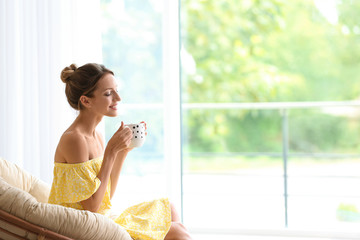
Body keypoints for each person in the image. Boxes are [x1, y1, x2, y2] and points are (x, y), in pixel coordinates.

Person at [48, 63, 192, 240]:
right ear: (86, 101)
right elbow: (92, 206)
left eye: (116, 90)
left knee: (169, 208)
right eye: (109, 93)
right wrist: (110, 152)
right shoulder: (74, 139)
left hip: (100, 219)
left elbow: (106, 196)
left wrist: (122, 152)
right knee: (179, 232)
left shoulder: (97, 136)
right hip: (82, 228)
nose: (118, 98)